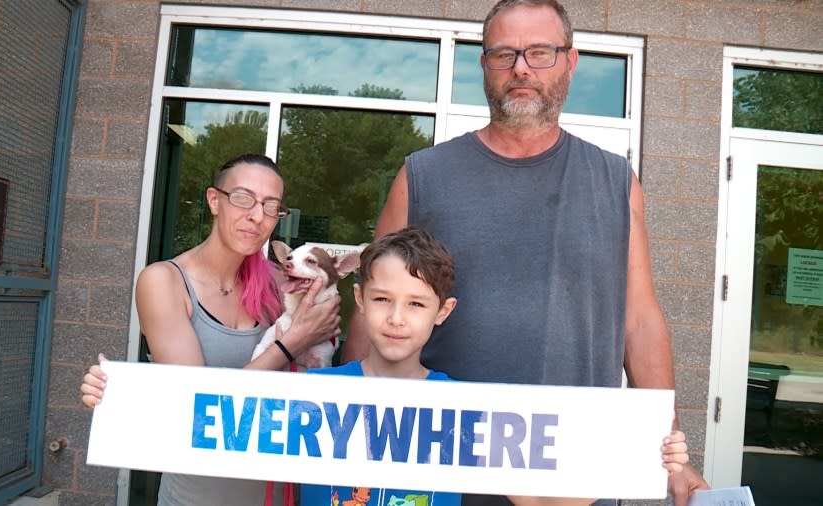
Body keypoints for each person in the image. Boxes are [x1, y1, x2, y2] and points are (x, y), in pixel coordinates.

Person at [339, 2, 710, 506]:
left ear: (570, 62)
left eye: (540, 52)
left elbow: (639, 319)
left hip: (573, 476)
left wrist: (673, 452)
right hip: (440, 473)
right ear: (484, 64)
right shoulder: (424, 175)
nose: (521, 68)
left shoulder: (615, 183)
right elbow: (373, 306)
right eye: (504, 54)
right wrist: (347, 432)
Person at [305, 227, 690, 506]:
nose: (397, 318)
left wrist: (643, 453)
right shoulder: (312, 394)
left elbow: (541, 503)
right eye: (382, 299)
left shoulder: (465, 409)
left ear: (443, 311)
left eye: (417, 304)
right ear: (359, 298)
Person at [80, 153, 342, 505]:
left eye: (271, 206)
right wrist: (291, 343)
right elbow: (199, 407)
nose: (256, 215)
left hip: (278, 494)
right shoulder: (165, 281)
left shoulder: (285, 283)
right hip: (195, 496)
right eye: (243, 198)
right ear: (214, 201)